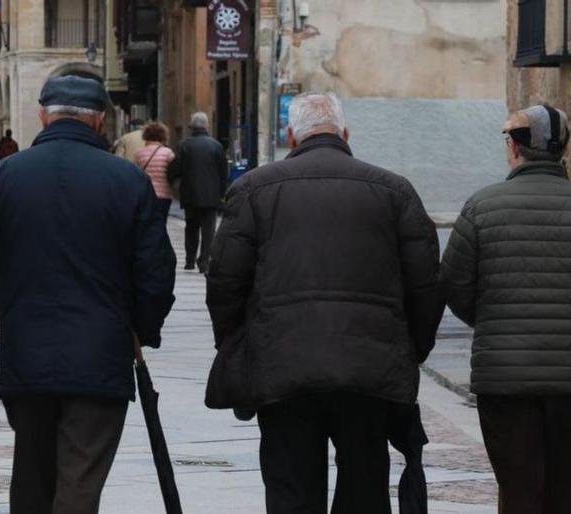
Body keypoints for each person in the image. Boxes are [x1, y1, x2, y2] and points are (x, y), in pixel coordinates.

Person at [204, 93, 441, 514]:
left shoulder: (254, 189)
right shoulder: (394, 191)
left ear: (292, 135)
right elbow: (425, 285)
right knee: (365, 485)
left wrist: (240, 347)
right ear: (345, 134)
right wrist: (409, 351)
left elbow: (225, 282)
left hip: (282, 364)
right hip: (368, 366)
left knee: (291, 487)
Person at [0, 75, 176, 513]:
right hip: (100, 352)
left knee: (31, 474)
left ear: (43, 115)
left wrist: (4, 280)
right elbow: (156, 272)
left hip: (25, 350)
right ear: (100, 121)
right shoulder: (127, 181)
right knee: (81, 479)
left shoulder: (2, 177)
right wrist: (141, 329)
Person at [441, 104, 571, 514]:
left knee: (517, 481)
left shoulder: (481, 208)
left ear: (514, 148)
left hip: (504, 376)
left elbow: (454, 286)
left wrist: (492, 322)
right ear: (563, 150)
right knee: (565, 476)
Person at [168, 111, 229, 273]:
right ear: (207, 126)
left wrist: (173, 182)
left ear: (191, 127)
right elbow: (224, 172)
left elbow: (174, 169)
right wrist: (222, 193)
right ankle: (205, 262)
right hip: (211, 196)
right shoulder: (216, 146)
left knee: (191, 228)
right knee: (209, 231)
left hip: (190, 194)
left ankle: (189, 261)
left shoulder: (183, 145)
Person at [133, 121, 176, 216]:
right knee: (161, 222)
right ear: (163, 136)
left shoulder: (139, 153)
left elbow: (134, 174)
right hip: (164, 194)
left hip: (145, 194)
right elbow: (174, 172)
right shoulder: (168, 153)